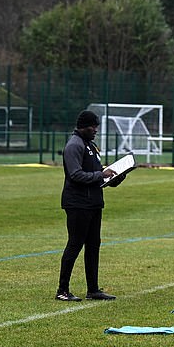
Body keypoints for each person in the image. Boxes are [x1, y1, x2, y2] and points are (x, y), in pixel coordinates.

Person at [56, 109, 127, 301]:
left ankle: (93, 289)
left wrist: (115, 177)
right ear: (83, 127)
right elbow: (76, 175)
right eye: (93, 126)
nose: (96, 130)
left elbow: (96, 174)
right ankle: (62, 290)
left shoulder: (90, 145)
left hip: (94, 202)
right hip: (78, 203)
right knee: (75, 244)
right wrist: (100, 175)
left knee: (94, 245)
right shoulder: (74, 145)